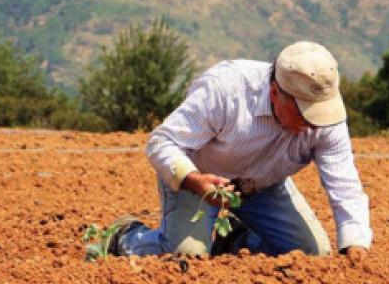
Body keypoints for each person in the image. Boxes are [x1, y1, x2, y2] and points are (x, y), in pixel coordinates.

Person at [108, 41, 372, 260]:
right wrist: (195, 180)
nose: (313, 123)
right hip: (199, 179)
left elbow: (344, 184)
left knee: (312, 254)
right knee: (186, 255)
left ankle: (236, 239)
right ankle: (126, 237)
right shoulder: (226, 91)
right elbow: (162, 142)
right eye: (303, 112)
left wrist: (355, 244)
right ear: (275, 92)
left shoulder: (326, 118)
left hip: (262, 185)